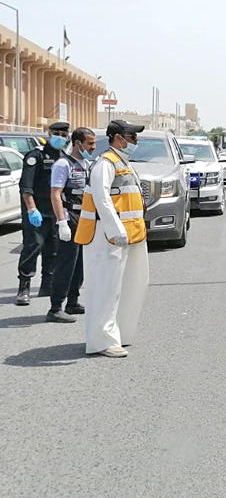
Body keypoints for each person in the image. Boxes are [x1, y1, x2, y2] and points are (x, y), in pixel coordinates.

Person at [74, 120, 148, 358]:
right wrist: (115, 229)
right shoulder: (105, 163)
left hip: (123, 235)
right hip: (106, 236)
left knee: (121, 288)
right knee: (105, 289)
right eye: (132, 137)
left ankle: (116, 334)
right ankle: (101, 341)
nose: (135, 142)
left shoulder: (120, 161)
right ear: (118, 138)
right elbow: (102, 198)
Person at [15, 121, 70, 306]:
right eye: (57, 133)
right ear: (49, 134)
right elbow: (26, 187)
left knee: (53, 249)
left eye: (64, 134)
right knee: (32, 247)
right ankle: (24, 288)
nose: (60, 137)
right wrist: (31, 209)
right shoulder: (35, 156)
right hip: (37, 211)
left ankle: (47, 285)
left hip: (56, 211)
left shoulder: (63, 157)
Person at [46, 127, 96, 323]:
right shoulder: (62, 164)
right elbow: (55, 194)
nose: (93, 147)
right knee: (66, 263)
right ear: (77, 143)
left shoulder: (86, 163)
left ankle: (73, 301)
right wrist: (61, 222)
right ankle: (55, 307)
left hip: (84, 216)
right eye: (89, 143)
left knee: (80, 263)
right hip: (70, 216)